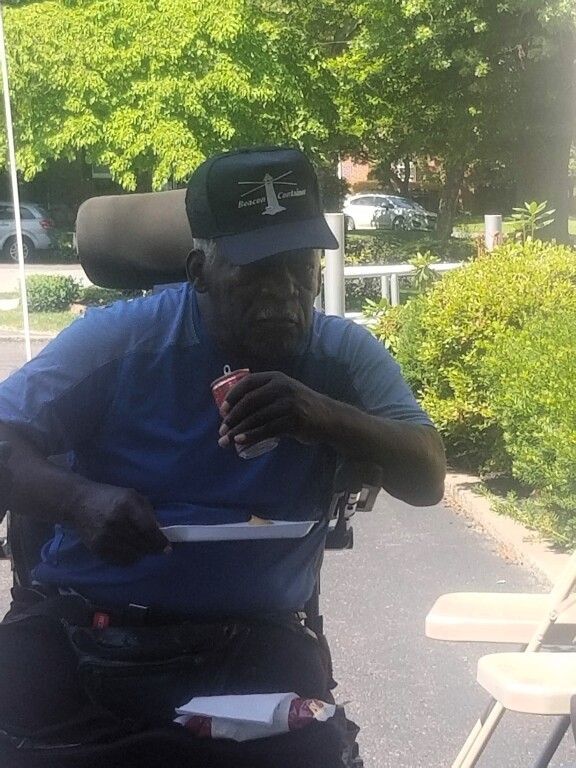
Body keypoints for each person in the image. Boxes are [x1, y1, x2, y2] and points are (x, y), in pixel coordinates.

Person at [0, 146, 445, 767]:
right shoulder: (119, 341)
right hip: (91, 634)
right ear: (199, 271)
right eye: (258, 272)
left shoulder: (340, 356)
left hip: (255, 639)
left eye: (300, 268)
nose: (284, 295)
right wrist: (78, 501)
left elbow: (427, 476)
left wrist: (323, 415)